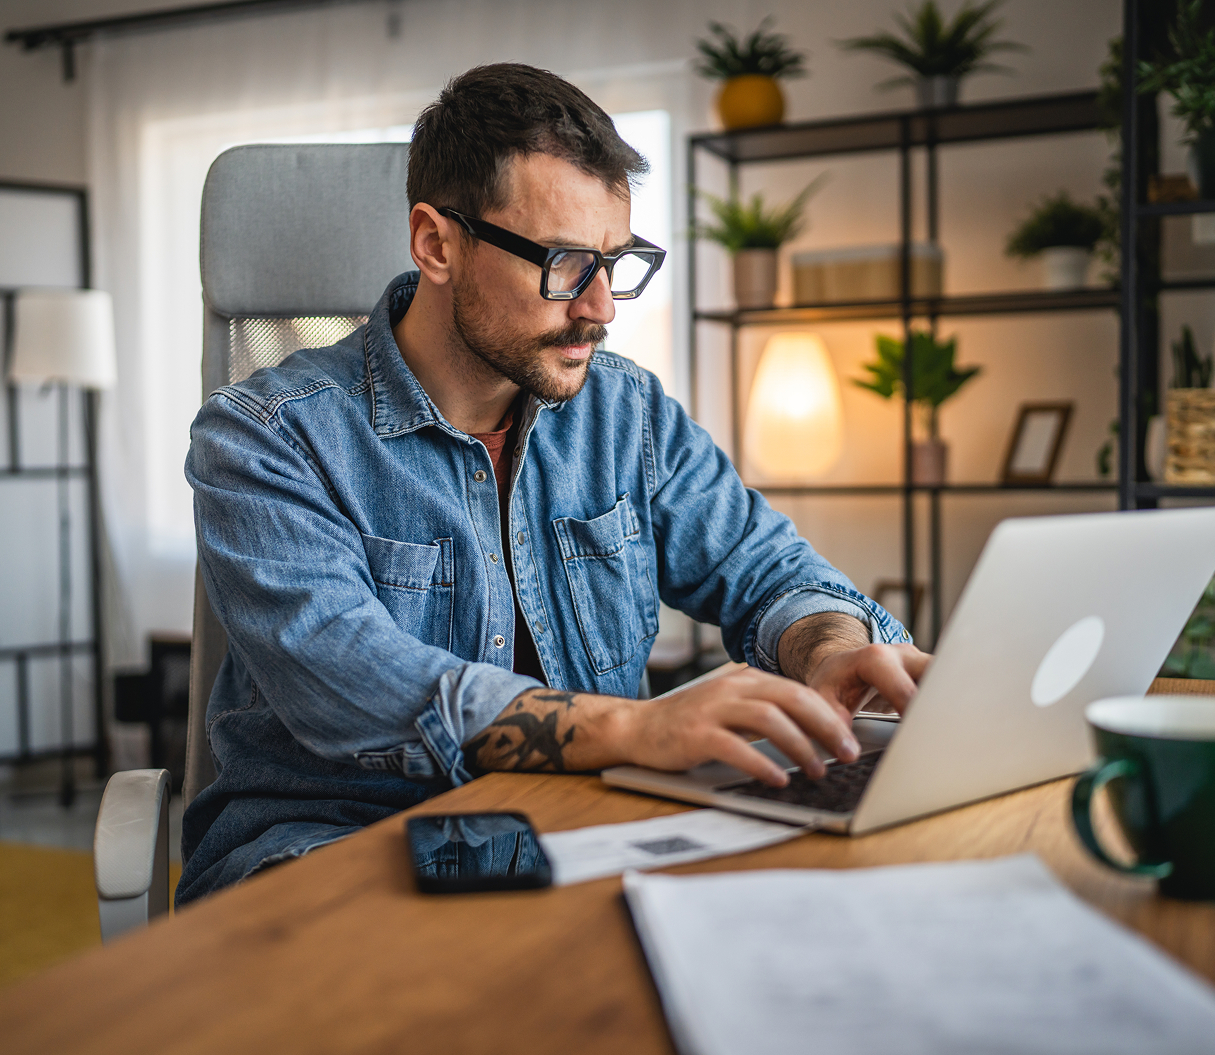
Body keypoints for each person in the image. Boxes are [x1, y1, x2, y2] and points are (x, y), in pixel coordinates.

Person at [178, 63, 929, 905]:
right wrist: (639, 727)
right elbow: (358, 687)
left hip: (589, 828)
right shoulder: (264, 436)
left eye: (618, 262)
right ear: (437, 243)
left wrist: (827, 650)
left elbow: (774, 572)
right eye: (568, 263)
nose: (602, 307)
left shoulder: (627, 412)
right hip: (331, 846)